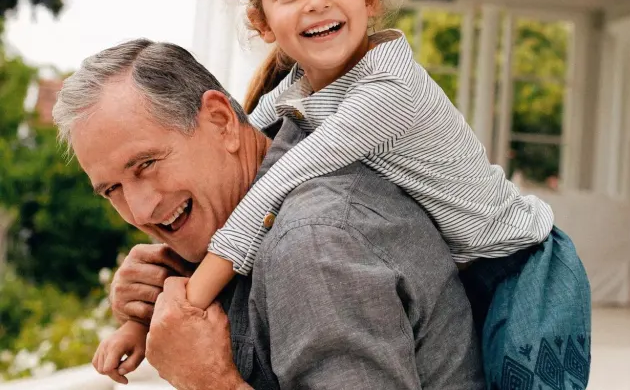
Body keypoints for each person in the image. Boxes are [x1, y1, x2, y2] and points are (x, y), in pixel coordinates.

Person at [97, 0, 592, 388]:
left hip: (524, 269)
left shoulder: (387, 93)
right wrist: (146, 312)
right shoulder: (296, 93)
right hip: (469, 267)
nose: (318, 1)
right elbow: (239, 139)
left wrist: (189, 305)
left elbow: (274, 184)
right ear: (262, 21)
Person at [54, 39, 485, 389]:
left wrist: (209, 381)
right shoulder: (241, 211)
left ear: (222, 121)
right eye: (113, 189)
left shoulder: (312, 244)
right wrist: (150, 301)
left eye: (146, 164)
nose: (142, 210)